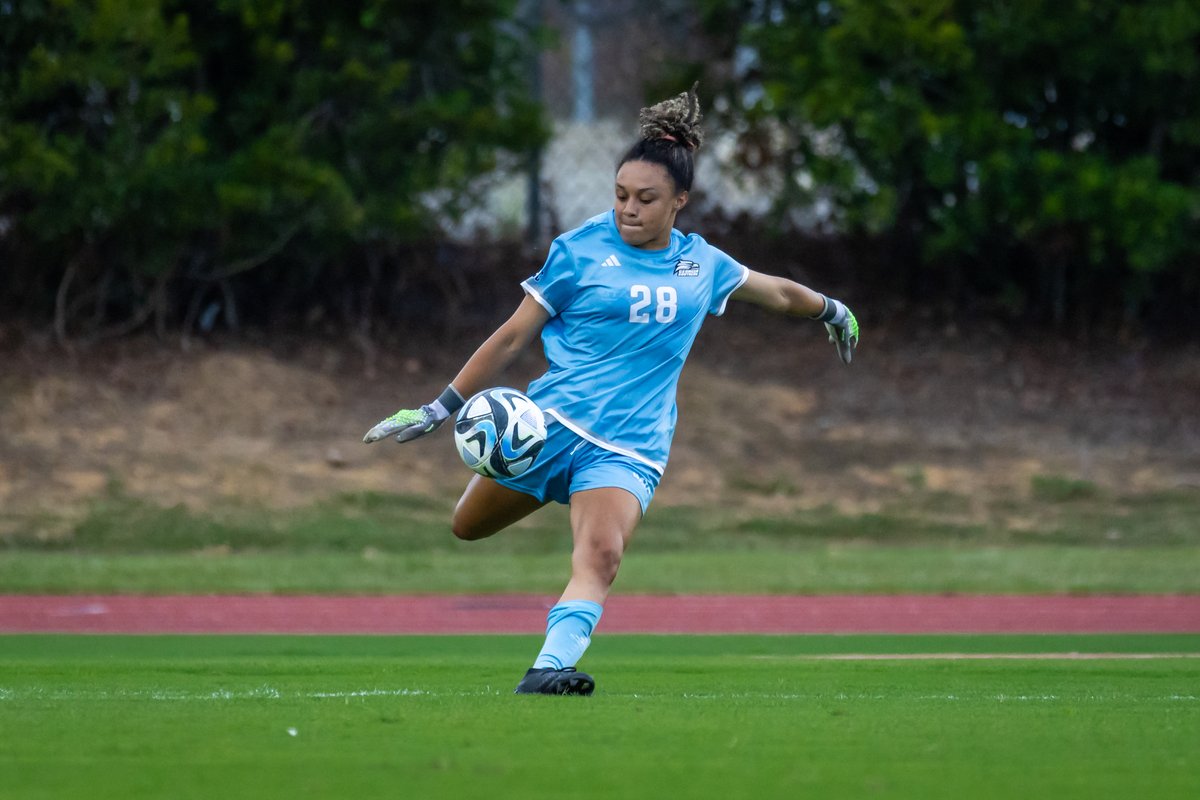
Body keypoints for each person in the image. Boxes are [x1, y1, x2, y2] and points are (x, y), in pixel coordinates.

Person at [362, 84, 858, 696]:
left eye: (646, 199)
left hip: (628, 448)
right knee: (466, 526)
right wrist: (440, 407)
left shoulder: (701, 263)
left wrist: (832, 310)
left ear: (680, 201)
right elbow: (513, 336)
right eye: (621, 194)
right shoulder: (579, 249)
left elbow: (777, 292)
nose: (629, 209)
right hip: (546, 429)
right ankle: (545, 503)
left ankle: (549, 668)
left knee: (601, 556)